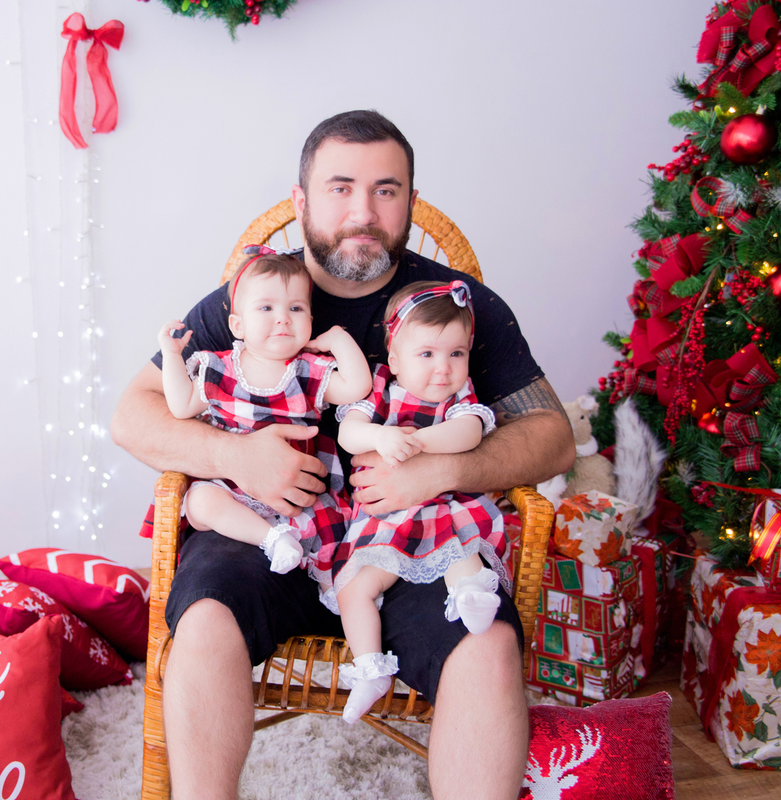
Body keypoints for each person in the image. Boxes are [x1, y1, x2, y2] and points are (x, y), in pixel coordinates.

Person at [111, 109, 574, 800]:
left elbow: (553, 434)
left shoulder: (453, 306)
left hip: (409, 541)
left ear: (410, 201)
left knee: (487, 644)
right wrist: (236, 456)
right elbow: (132, 415)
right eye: (340, 188)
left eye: (386, 190)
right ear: (300, 202)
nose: (364, 211)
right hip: (272, 532)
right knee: (205, 615)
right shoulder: (259, 295)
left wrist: (444, 469)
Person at [333, 279, 508, 724]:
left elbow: (469, 431)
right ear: (394, 359)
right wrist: (379, 436)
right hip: (386, 522)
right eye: (427, 354)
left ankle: (472, 597)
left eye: (456, 353)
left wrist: (419, 444)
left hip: (442, 508)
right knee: (354, 588)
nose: (444, 369)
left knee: (457, 549)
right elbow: (349, 434)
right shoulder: (380, 388)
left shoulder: (459, 398)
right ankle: (369, 668)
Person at [157, 248, 371, 588]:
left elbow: (357, 387)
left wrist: (339, 339)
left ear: (310, 320)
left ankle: (327, 586)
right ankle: (271, 538)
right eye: (266, 308)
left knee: (332, 542)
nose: (283, 318)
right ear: (238, 325)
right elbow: (182, 406)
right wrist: (171, 356)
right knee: (198, 503)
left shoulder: (307, 371)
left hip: (295, 491)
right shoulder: (219, 368)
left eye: (296, 308)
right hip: (233, 488)